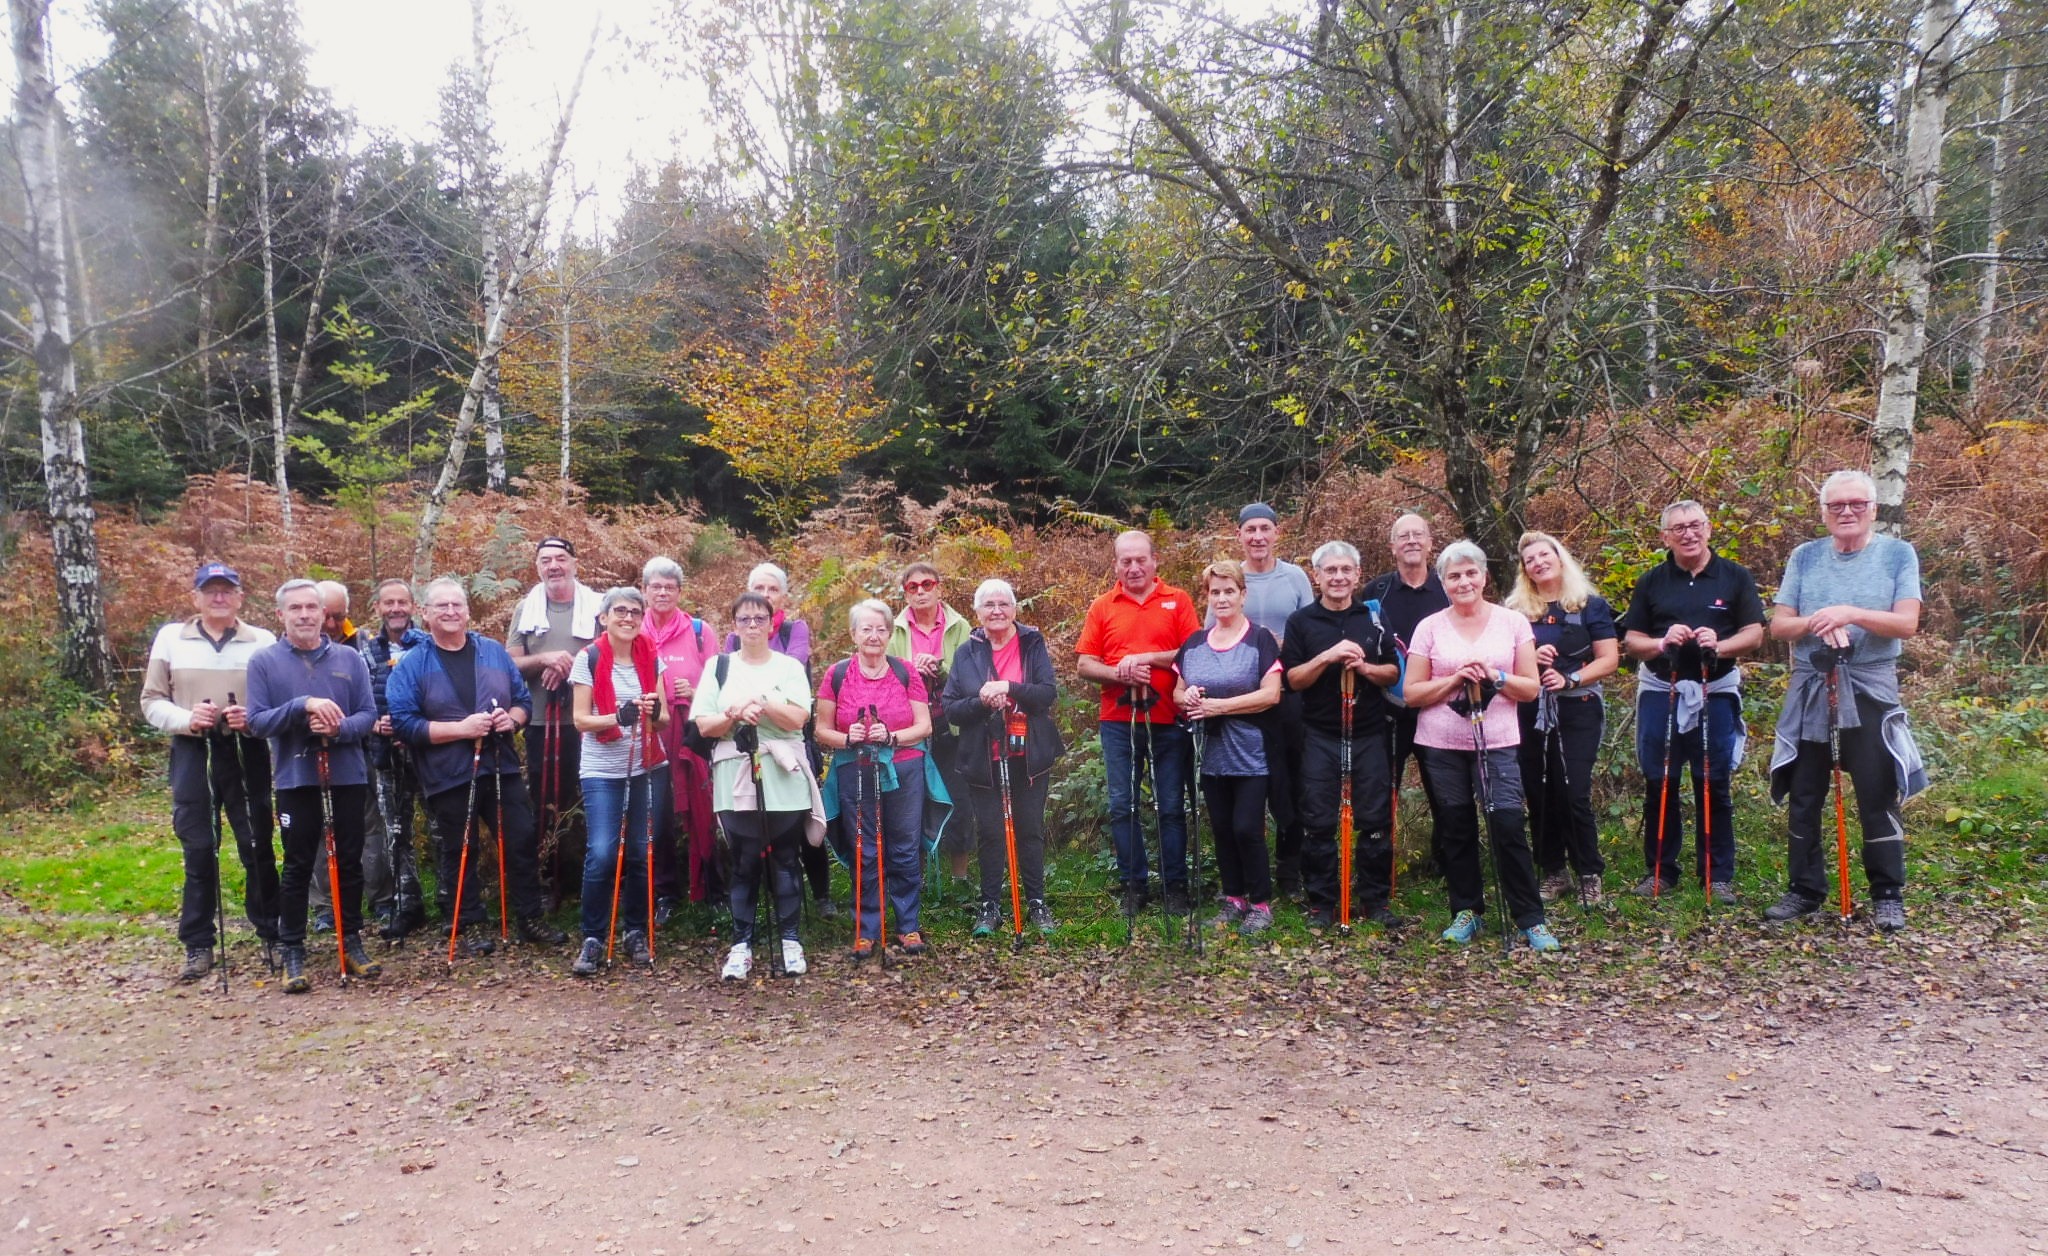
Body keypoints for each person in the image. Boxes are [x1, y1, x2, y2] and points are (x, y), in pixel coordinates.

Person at [1765, 471, 1926, 931]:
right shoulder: (1805, 556)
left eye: (1857, 503)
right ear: (1823, 512)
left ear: (1874, 509)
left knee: (1877, 791)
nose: (1846, 512)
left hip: (1871, 686)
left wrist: (1850, 613)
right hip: (1811, 686)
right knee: (1806, 792)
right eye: (1836, 506)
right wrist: (1818, 620)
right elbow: (1779, 626)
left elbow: (1906, 623)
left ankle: (1888, 894)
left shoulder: (1898, 554)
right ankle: (1804, 890)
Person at [389, 578, 568, 955]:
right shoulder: (412, 665)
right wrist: (460, 729)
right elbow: (404, 723)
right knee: (459, 849)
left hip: (499, 765)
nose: (451, 612)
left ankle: (529, 916)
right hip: (447, 772)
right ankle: (467, 921)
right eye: (442, 607)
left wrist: (512, 720)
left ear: (468, 611)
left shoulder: (492, 651)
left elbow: (522, 700)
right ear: (426, 613)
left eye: (457, 605)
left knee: (520, 839)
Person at [1402, 541, 1558, 951]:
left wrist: (1495, 676)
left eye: (1471, 573)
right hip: (1441, 743)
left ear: (1485, 576)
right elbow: (1412, 692)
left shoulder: (1512, 623)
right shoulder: (1430, 627)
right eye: (1454, 576)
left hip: (1499, 741)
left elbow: (1529, 688)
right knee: (1456, 828)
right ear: (1443, 583)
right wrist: (1454, 680)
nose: (1464, 581)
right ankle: (1466, 910)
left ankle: (1530, 917)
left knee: (1507, 824)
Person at [1616, 501, 1766, 902]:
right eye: (1678, 528)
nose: (1688, 534)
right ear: (1665, 536)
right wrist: (1662, 642)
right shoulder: (1651, 581)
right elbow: (1632, 641)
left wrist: (1721, 644)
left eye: (1695, 525)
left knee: (1712, 781)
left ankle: (1716, 874)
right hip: (1660, 689)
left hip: (1713, 690)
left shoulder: (1735, 576)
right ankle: (1661, 870)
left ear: (1709, 528)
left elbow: (1754, 633)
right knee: (1659, 781)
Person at [141, 562, 282, 982]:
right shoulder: (171, 638)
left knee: (256, 844)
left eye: (227, 590)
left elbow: (275, 704)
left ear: (240, 596)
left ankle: (273, 932)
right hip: (192, 748)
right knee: (199, 847)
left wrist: (252, 719)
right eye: (210, 591)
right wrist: (186, 718)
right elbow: (151, 701)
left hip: (246, 749)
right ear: (196, 597)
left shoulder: (263, 640)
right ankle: (198, 942)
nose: (218, 597)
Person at [244, 579, 379, 993]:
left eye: (311, 608)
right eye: (295, 608)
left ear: (325, 615)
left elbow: (368, 716)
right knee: (299, 862)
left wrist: (336, 729)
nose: (304, 615)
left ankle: (351, 939)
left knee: (350, 859)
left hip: (346, 774)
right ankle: (293, 948)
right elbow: (256, 721)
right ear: (281, 614)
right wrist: (302, 707)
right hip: (295, 777)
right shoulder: (264, 662)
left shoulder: (349, 659)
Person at [1077, 530, 1202, 917]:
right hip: (1118, 721)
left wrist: (1146, 658)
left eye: (1140, 560)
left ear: (1154, 561)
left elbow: (1194, 651)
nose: (1133, 567)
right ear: (1116, 564)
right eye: (1125, 561)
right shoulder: (1102, 606)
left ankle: (1175, 886)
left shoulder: (1177, 600)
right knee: (1122, 806)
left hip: (1169, 718)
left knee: (1170, 806)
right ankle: (1133, 885)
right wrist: (1120, 672)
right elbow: (1084, 664)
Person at [694, 591, 816, 980]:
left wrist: (761, 703)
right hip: (735, 769)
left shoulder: (789, 667)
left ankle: (791, 941)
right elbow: (703, 724)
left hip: (783, 771)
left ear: (771, 623)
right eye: (744, 619)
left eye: (759, 619)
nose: (752, 626)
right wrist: (733, 712)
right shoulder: (718, 666)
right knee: (744, 860)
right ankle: (740, 945)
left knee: (783, 856)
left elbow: (799, 717)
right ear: (734, 625)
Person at [1281, 542, 1403, 929]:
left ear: (1356, 574)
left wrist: (1364, 667)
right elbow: (1293, 679)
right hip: (1319, 733)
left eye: (1345, 570)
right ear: (1316, 575)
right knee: (1317, 820)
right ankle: (1322, 903)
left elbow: (1393, 674)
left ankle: (1375, 901)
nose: (1338, 577)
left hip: (1367, 731)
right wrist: (1327, 657)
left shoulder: (1374, 618)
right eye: (1329, 570)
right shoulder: (1301, 622)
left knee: (1374, 819)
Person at [942, 579, 1063, 937]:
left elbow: (1046, 694)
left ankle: (1037, 904)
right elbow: (951, 709)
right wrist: (981, 701)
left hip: (1029, 753)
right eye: (988, 605)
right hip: (983, 756)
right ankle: (989, 905)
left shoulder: (1031, 643)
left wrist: (1008, 688)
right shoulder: (967, 652)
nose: (997, 611)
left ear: (1014, 609)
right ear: (976, 613)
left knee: (1029, 829)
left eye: (1003, 604)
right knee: (991, 831)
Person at [1506, 532, 1620, 906]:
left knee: (1572, 790)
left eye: (1544, 555)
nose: (1538, 562)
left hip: (1578, 705)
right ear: (1524, 570)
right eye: (1530, 559)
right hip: (1530, 709)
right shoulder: (1515, 611)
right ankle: (1553, 870)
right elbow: (1504, 661)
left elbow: (1609, 659)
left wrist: (1570, 677)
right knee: (1539, 791)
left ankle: (1589, 872)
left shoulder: (1589, 605)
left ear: (1560, 558)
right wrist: (1533, 661)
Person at [819, 599, 938, 958]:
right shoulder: (837, 674)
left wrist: (892, 737)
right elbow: (821, 730)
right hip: (854, 767)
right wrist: (848, 738)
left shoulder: (905, 672)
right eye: (866, 629)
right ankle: (866, 928)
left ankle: (907, 926)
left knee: (904, 844)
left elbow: (925, 725)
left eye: (881, 628)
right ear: (854, 634)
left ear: (890, 633)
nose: (873, 635)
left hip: (904, 767)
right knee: (864, 849)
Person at [1177, 561, 1284, 935]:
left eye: (1229, 591)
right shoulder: (1193, 643)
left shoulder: (1260, 639)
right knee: (1221, 827)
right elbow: (1178, 691)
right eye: (1215, 592)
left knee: (1246, 828)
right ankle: (1233, 898)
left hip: (1252, 751)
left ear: (1242, 595)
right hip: (1210, 752)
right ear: (1207, 597)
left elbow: (1271, 695)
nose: (1222, 598)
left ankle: (1261, 904)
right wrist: (1187, 695)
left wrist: (1219, 707)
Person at [568, 587, 671, 974]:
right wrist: (619, 717)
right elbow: (580, 719)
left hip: (647, 767)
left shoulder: (651, 656)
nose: (628, 618)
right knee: (603, 852)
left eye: (634, 612)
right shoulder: (589, 658)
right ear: (604, 617)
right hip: (602, 770)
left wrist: (651, 711)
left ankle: (635, 931)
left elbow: (662, 721)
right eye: (620, 612)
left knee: (643, 853)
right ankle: (593, 935)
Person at [1216, 503, 1315, 897]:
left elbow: (1312, 630)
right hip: (1240, 699)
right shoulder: (1229, 579)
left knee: (1290, 784)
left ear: (1277, 533)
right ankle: (1244, 874)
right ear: (1239, 535)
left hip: (1288, 694)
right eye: (1249, 530)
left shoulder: (1294, 578)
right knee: (1245, 785)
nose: (1257, 536)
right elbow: (1212, 635)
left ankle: (1289, 871)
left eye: (1265, 529)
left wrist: (1281, 646)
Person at [723, 562, 832, 917]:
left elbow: (793, 668)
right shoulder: (731, 638)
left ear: (782, 595)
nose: (765, 596)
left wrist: (753, 693)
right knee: (762, 819)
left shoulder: (794, 629)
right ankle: (778, 895)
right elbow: (726, 678)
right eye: (758, 588)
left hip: (792, 738)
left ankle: (821, 895)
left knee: (802, 814)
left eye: (772, 589)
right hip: (752, 741)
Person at [506, 536, 600, 902]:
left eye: (560, 558)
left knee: (588, 798)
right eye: (545, 560)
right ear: (537, 567)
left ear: (575, 563)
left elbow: (612, 650)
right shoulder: (525, 609)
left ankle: (587, 881)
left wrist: (571, 664)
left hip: (589, 720)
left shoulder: (596, 606)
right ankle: (548, 880)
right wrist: (545, 660)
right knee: (545, 801)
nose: (553, 566)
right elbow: (511, 663)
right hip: (541, 721)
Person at [1362, 512, 1452, 879]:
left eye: (1419, 535)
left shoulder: (1450, 588)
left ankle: (1448, 865)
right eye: (1404, 536)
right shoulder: (1374, 592)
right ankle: (1381, 868)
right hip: (1387, 712)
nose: (1412, 541)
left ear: (1431, 544)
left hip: (1440, 706)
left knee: (1446, 793)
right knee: (1383, 793)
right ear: (1392, 547)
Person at [641, 556, 718, 920]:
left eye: (669, 587)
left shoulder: (699, 631)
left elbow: (720, 680)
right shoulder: (632, 628)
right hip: (649, 734)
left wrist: (698, 685)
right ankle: (665, 893)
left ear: (680, 592)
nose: (662, 593)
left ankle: (709, 886)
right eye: (655, 586)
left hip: (693, 732)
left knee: (704, 807)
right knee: (657, 812)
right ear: (644, 591)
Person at [889, 562, 974, 888]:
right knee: (914, 800)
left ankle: (960, 877)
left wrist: (939, 670)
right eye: (913, 587)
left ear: (939, 587)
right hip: (910, 729)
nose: (921, 591)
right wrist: (913, 670)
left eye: (927, 584)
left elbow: (970, 676)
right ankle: (917, 875)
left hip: (952, 727)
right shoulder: (895, 629)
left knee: (959, 798)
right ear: (905, 593)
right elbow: (889, 676)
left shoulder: (960, 625)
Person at [359, 578, 431, 938]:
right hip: (385, 754)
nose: (396, 608)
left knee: (438, 827)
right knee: (396, 831)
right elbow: (355, 701)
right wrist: (375, 724)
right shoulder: (366, 651)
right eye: (389, 602)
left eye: (402, 602)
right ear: (378, 608)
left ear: (414, 607)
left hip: (429, 752)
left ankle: (454, 903)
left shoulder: (430, 646)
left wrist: (416, 726)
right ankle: (408, 904)